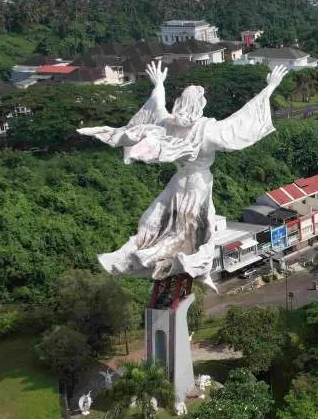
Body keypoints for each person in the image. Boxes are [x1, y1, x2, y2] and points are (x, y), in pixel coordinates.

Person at [79, 61, 288, 290]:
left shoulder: (169, 125)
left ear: (180, 103)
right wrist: (269, 88)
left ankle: (162, 260)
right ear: (199, 105)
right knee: (195, 230)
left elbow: (157, 108)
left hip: (178, 181)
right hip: (198, 182)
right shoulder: (207, 130)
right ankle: (189, 267)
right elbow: (240, 123)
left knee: (158, 223)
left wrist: (159, 84)